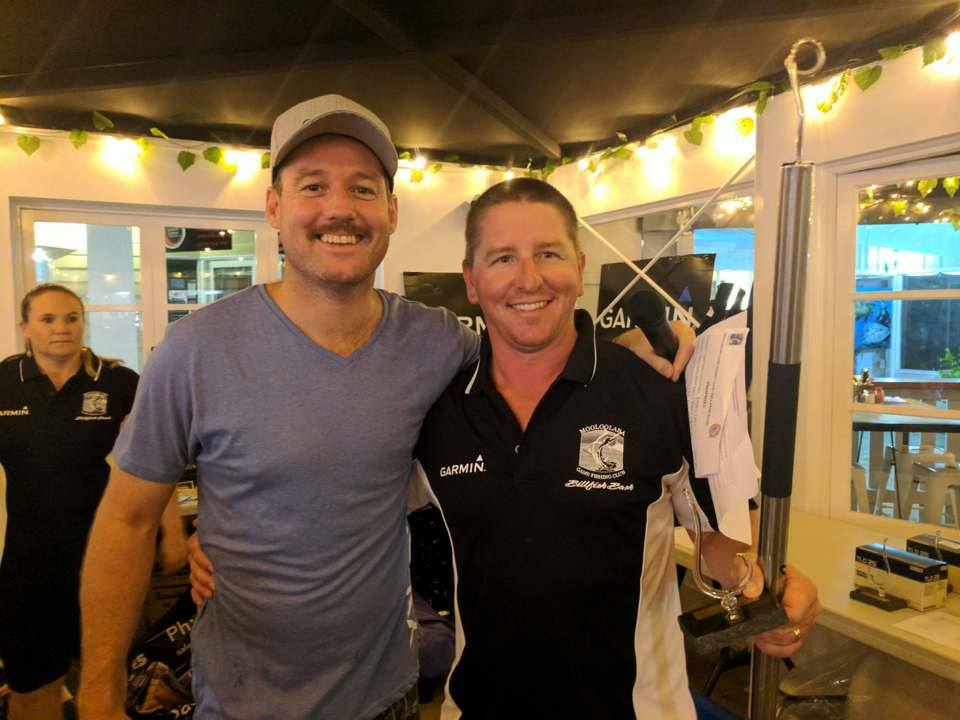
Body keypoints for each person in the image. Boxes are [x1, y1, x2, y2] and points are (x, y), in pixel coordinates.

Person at [76, 95, 694, 720]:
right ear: (275, 207)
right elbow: (126, 520)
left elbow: (531, 348)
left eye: (363, 188)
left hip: (388, 698)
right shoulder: (195, 350)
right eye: (313, 186)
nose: (339, 208)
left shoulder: (437, 343)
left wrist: (628, 348)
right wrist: (100, 694)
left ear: (391, 212)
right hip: (243, 703)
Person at [188, 179, 822, 718]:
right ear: (471, 280)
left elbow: (718, 538)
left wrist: (759, 585)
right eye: (502, 258)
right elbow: (345, 504)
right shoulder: (439, 410)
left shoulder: (657, 390)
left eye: (548, 253)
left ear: (578, 267)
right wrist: (230, 539)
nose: (528, 278)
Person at [0, 284, 187, 720]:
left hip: (105, 557)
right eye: (48, 319)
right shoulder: (5, 383)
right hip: (28, 565)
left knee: (104, 686)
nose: (62, 328)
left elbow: (155, 464)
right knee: (32, 689)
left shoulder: (118, 383)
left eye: (71, 318)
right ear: (25, 327)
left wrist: (172, 529)